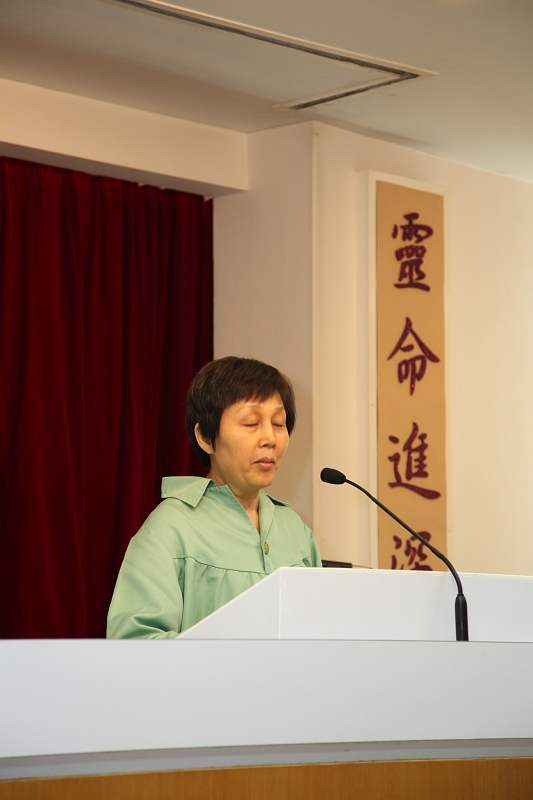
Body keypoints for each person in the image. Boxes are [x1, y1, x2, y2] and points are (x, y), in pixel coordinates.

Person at [107, 356, 322, 639]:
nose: (270, 438)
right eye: (251, 423)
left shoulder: (295, 530)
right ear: (206, 437)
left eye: (278, 423)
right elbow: (135, 643)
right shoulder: (169, 528)